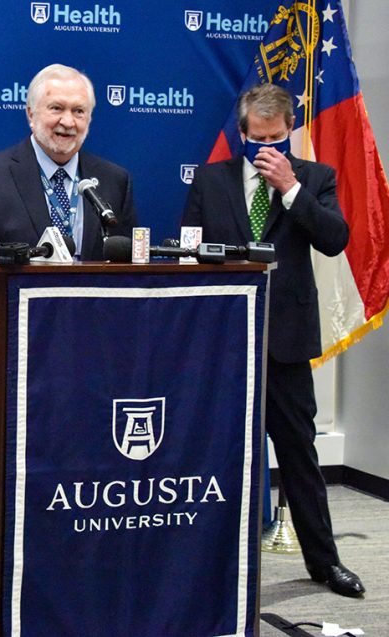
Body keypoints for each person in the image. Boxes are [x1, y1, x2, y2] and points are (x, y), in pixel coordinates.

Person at [182, 83, 365, 598]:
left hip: (284, 342)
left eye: (277, 137)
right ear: (241, 133)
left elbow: (334, 239)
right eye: (257, 137)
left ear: (289, 133)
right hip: (223, 340)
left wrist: (290, 188)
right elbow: (189, 248)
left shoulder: (314, 178)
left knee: (300, 457)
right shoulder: (210, 181)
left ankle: (325, 563)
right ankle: (204, 564)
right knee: (213, 454)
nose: (267, 147)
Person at [0, 63, 136, 274]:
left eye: (79, 111)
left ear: (89, 119)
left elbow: (128, 264)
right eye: (56, 108)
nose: (68, 121)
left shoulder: (115, 179)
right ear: (30, 114)